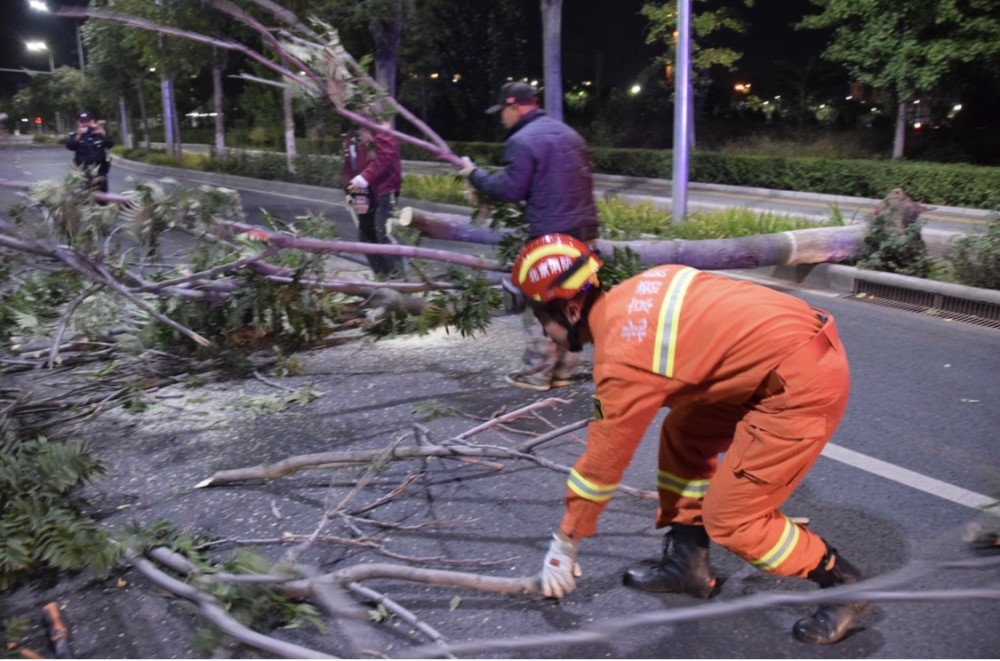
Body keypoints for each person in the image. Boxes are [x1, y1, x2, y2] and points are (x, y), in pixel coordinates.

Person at [511, 233, 871, 645]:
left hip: (802, 382)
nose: (544, 332)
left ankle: (845, 585)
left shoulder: (623, 357)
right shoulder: (640, 288)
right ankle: (689, 563)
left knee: (735, 522)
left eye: (542, 319)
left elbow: (600, 467)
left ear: (572, 310)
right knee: (685, 432)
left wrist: (566, 541)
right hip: (777, 361)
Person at [458, 82, 599, 392]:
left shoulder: (522, 141)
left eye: (502, 113)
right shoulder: (570, 135)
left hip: (550, 239)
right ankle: (564, 368)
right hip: (586, 235)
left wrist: (474, 174)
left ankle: (536, 373)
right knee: (572, 301)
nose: (501, 119)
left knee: (541, 302)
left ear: (514, 107)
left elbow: (510, 190)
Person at [341, 121, 404, 278]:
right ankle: (382, 278)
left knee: (384, 234)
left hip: (385, 188)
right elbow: (349, 164)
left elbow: (385, 156)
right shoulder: (351, 135)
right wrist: (347, 188)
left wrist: (363, 178)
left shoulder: (380, 123)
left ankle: (399, 280)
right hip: (362, 190)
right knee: (366, 237)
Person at [66, 110, 114, 195]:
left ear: (93, 121)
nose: (85, 124)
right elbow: (70, 146)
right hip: (82, 174)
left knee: (102, 198)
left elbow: (110, 144)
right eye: (82, 121)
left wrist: (103, 134)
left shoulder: (99, 134)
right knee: (83, 198)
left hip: (100, 173)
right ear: (78, 123)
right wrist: (79, 135)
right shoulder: (75, 136)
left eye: (88, 121)